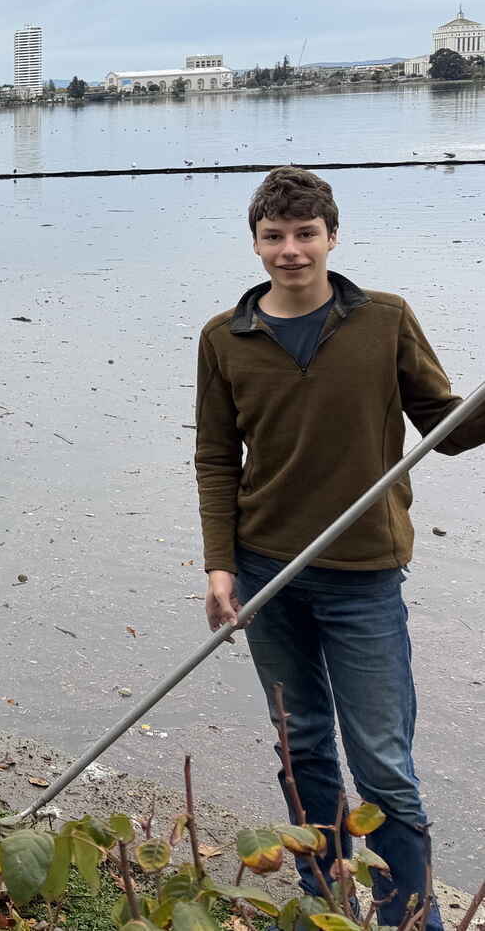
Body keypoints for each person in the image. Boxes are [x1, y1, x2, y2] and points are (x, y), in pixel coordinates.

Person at [196, 167, 485, 930]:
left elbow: (445, 429)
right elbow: (217, 456)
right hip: (266, 570)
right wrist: (218, 564)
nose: (290, 250)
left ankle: (406, 917)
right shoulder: (225, 337)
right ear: (255, 242)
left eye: (304, 234)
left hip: (363, 573)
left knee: (383, 763)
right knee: (301, 747)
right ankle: (324, 900)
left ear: (331, 235)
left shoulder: (384, 319)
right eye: (273, 236)